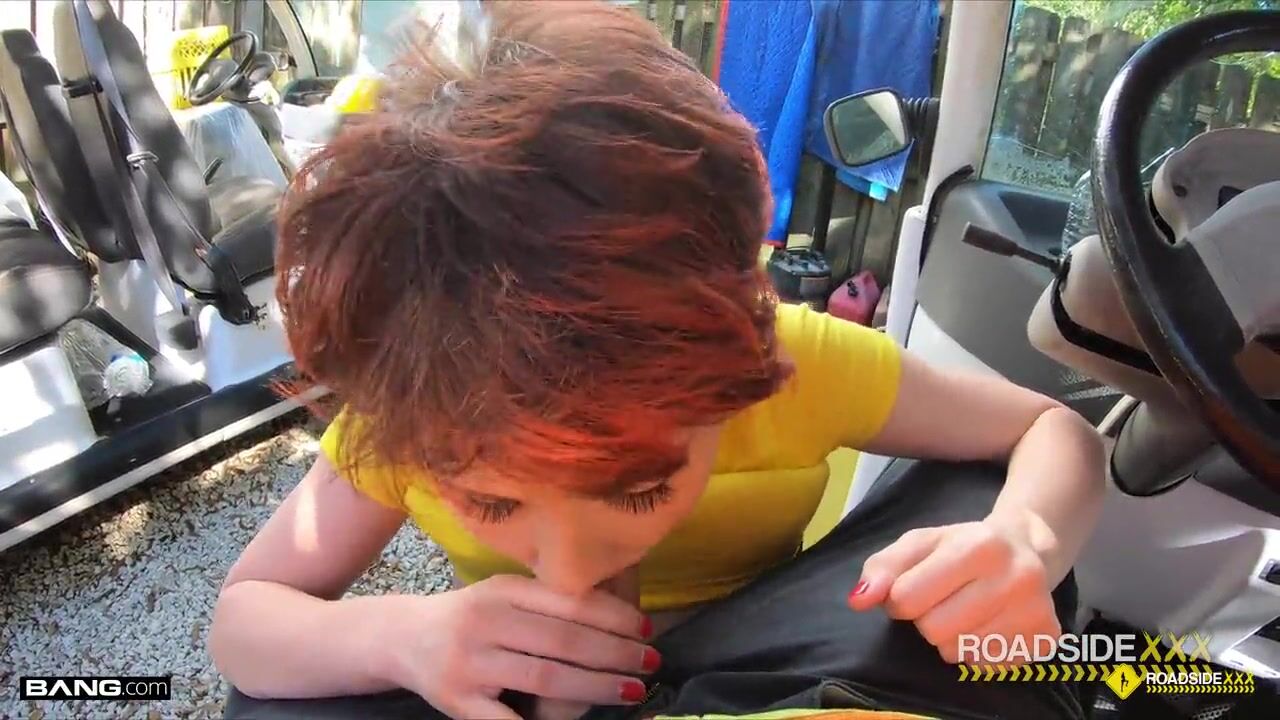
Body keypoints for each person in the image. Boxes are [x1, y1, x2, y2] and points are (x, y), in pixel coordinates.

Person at [209, 2, 1105, 719]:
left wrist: (1024, 541)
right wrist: (402, 637)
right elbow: (246, 619)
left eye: (639, 489)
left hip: (763, 671)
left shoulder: (784, 364)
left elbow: (1051, 428)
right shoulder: (416, 398)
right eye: (492, 502)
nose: (568, 572)